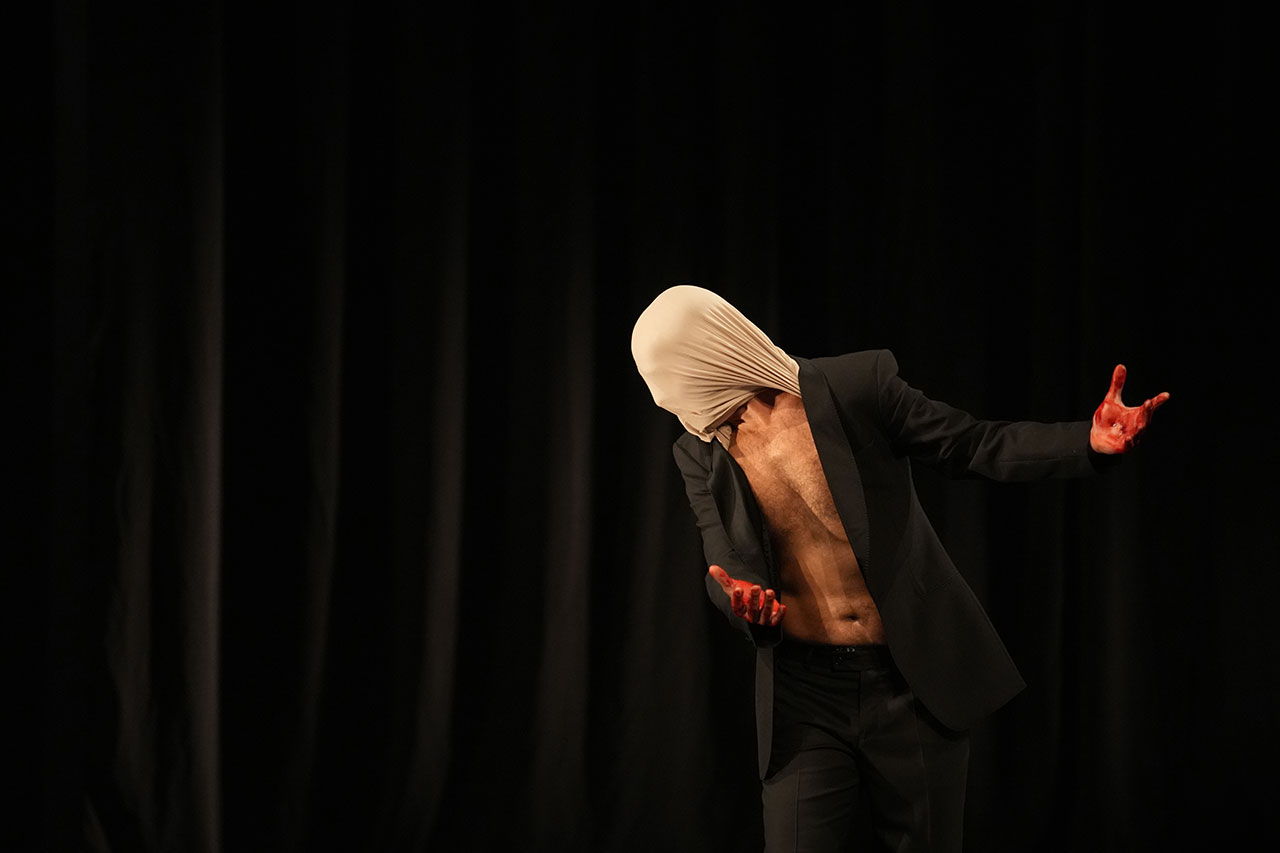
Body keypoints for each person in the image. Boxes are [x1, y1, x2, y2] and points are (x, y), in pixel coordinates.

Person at [630, 285, 1170, 853]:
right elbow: (725, 561)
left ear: (711, 351)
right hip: (804, 694)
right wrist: (743, 603)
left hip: (908, 681)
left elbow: (971, 444)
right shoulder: (700, 451)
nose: (664, 400)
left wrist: (1086, 442)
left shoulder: (853, 387)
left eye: (667, 376)